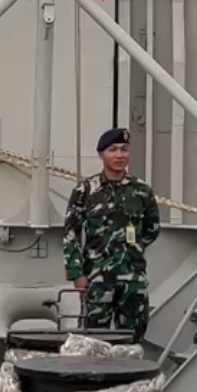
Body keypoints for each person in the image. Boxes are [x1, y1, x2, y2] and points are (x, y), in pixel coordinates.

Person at [63, 127, 160, 342]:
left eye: (124, 150)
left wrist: (130, 251)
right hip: (97, 280)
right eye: (113, 150)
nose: (119, 155)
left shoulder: (141, 190)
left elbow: (152, 229)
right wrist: (77, 274)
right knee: (93, 340)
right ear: (101, 155)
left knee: (132, 340)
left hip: (132, 280)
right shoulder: (86, 190)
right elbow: (71, 234)